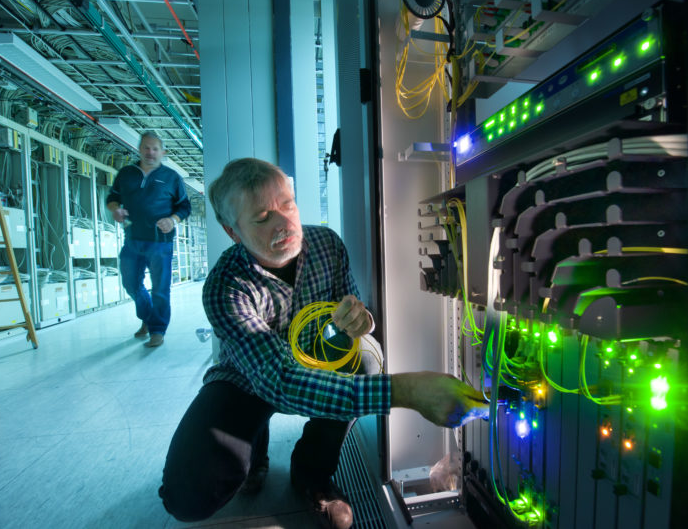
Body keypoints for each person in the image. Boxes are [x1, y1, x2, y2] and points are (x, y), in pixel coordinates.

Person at [158, 158, 486, 528]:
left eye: (287, 205)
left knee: (364, 360)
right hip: (247, 381)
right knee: (186, 497)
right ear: (233, 232)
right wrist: (406, 391)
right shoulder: (225, 285)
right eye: (263, 218)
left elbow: (354, 317)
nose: (284, 223)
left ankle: (312, 473)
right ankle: (254, 447)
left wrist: (360, 320)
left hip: (316, 361)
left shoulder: (326, 244)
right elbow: (277, 379)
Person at [106, 132, 191, 348]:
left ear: (163, 152)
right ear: (139, 149)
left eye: (154, 148)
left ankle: (157, 330)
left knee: (160, 288)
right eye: (146, 147)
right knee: (130, 283)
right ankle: (147, 317)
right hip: (132, 238)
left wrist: (172, 220)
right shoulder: (126, 173)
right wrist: (115, 210)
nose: (150, 152)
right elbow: (112, 198)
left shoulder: (171, 177)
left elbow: (184, 207)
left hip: (160, 241)